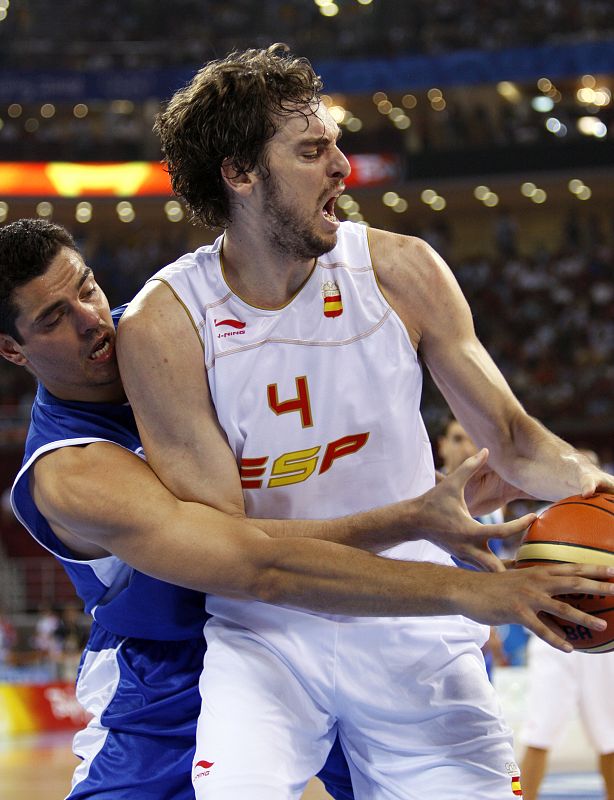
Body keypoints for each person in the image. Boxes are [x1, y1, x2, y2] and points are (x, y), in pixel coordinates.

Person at [115, 44, 614, 799]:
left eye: (337, 145)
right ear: (240, 173)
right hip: (268, 637)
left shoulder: (402, 270)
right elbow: (235, 551)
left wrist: (596, 488)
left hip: (416, 629)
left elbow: (512, 442)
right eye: (313, 150)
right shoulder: (164, 325)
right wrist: (414, 518)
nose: (343, 167)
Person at [0, 223, 593, 800]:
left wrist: (438, 499)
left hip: (312, 613)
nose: (90, 320)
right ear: (12, 350)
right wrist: (415, 523)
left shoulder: (170, 329)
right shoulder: (71, 472)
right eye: (52, 319)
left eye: (86, 288)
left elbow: (301, 475)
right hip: (171, 673)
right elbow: (252, 561)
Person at [519, 449, 614, 800]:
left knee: (611, 740)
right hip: (553, 636)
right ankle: (521, 796)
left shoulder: (608, 515)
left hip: (604, 640)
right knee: (537, 735)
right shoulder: (546, 522)